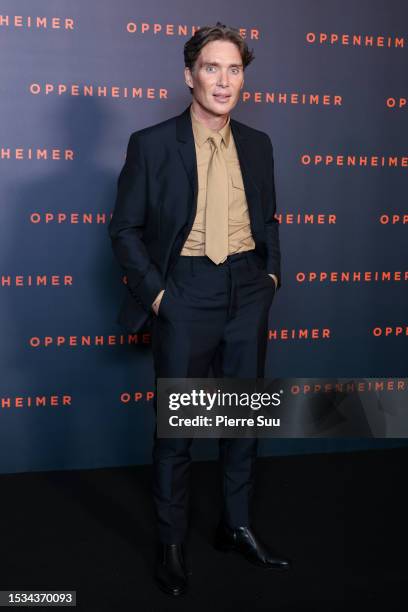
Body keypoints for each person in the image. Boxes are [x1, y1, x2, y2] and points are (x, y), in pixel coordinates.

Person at [108, 22, 291, 597]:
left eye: (234, 69)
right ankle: (171, 543)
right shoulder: (152, 142)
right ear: (189, 76)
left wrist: (270, 274)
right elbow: (125, 229)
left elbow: (268, 221)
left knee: (242, 420)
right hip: (185, 290)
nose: (224, 80)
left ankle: (235, 526)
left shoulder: (258, 145)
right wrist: (160, 294)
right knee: (179, 432)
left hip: (246, 289)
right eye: (212, 68)